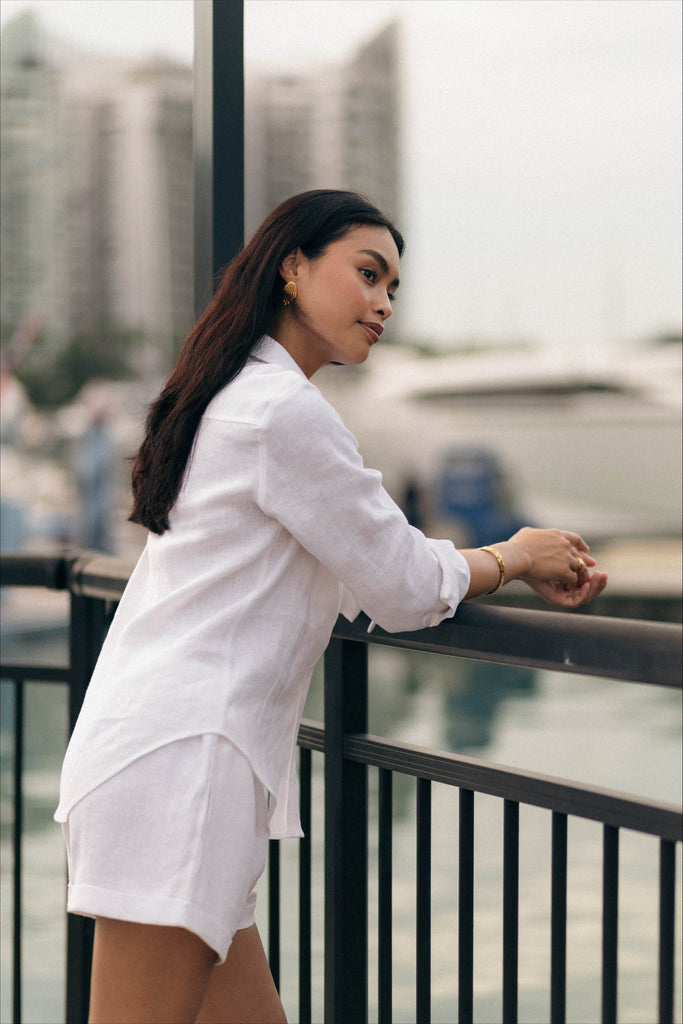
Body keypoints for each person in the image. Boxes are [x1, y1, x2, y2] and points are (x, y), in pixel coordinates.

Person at [55, 189, 607, 1024]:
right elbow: (403, 587)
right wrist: (517, 556)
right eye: (367, 273)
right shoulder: (282, 411)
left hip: (179, 758)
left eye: (392, 287)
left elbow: (352, 568)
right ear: (292, 267)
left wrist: (490, 562)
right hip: (184, 768)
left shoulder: (237, 393)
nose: (383, 303)